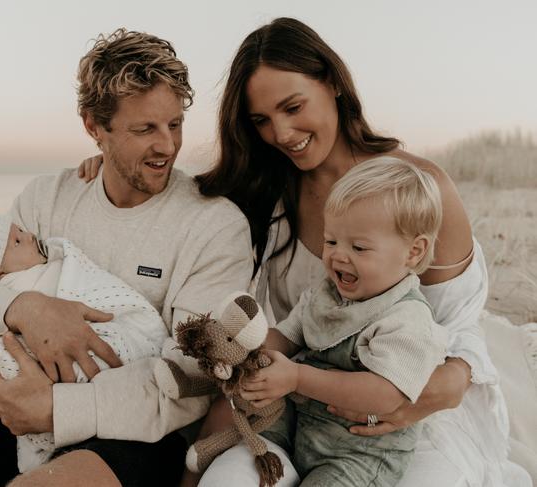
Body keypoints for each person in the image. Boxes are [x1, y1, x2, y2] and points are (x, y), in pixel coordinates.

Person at [0, 28, 253, 486]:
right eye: (145, 129)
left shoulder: (214, 226)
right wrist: (25, 308)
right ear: (94, 127)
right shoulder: (46, 199)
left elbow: (194, 378)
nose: (167, 145)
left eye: (175, 124)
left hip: (135, 438)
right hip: (14, 408)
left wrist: (57, 410)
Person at [192, 16, 528, 487]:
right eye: (262, 120)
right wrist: (103, 164)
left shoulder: (419, 188)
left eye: (293, 107)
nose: (282, 133)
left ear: (331, 82)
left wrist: (447, 384)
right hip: (293, 409)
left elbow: (458, 326)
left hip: (410, 414)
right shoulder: (265, 196)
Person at [242, 158, 448, 485]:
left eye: (359, 247)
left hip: (357, 455)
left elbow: (385, 395)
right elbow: (289, 334)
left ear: (413, 252)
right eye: (331, 241)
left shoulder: (407, 318)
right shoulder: (326, 293)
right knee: (249, 422)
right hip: (302, 426)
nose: (338, 255)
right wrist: (249, 351)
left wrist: (296, 377)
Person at [0, 213, 168, 473]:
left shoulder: (57, 259)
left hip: (138, 414)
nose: (30, 236)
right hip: (18, 404)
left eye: (21, 232)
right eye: (17, 241)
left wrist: (64, 407)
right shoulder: (40, 205)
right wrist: (22, 307)